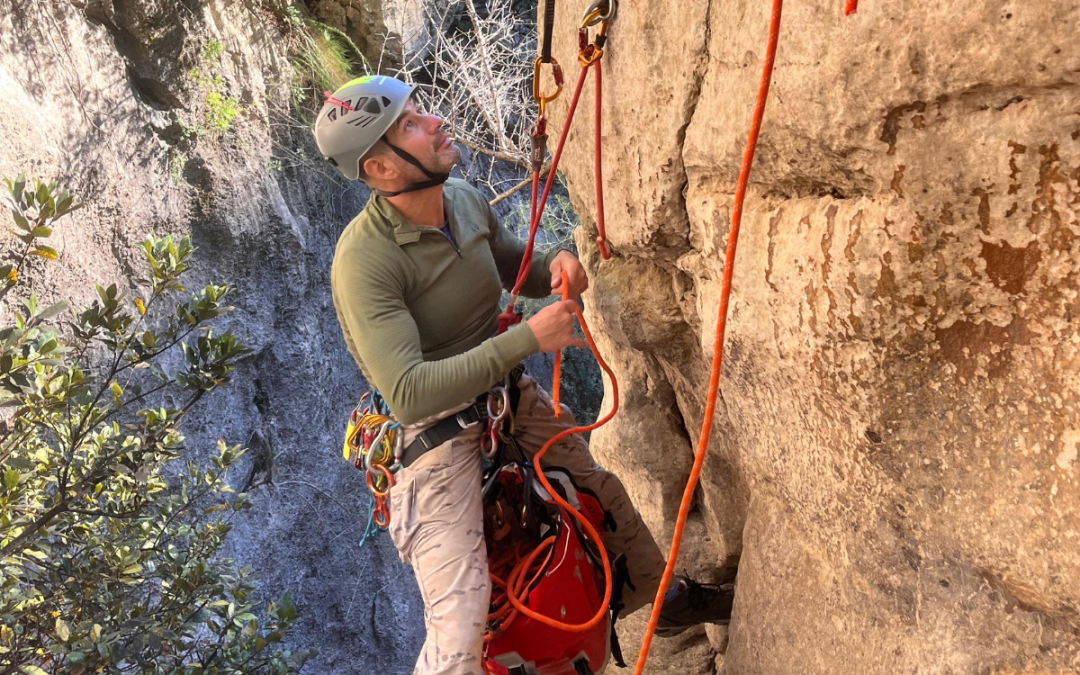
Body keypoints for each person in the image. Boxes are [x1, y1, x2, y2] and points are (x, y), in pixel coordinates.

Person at [316, 75, 732, 675]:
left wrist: (555, 265)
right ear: (380, 169)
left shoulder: (460, 199)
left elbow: (513, 263)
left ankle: (665, 601)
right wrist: (524, 341)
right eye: (411, 124)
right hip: (431, 439)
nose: (435, 122)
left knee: (601, 494)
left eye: (421, 112)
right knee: (459, 621)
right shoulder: (364, 261)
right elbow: (407, 394)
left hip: (499, 399)